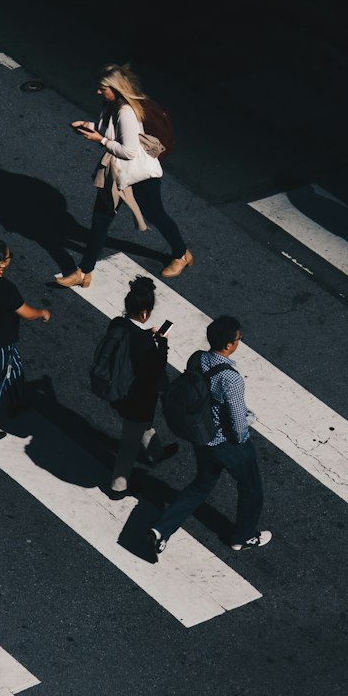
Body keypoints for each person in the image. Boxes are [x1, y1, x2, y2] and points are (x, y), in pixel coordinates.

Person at [57, 63, 194, 287]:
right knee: (100, 221)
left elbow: (129, 151)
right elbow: (111, 131)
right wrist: (88, 126)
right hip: (116, 173)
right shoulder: (111, 105)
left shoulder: (126, 112)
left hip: (138, 175)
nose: (98, 92)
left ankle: (182, 254)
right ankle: (84, 272)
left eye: (103, 88)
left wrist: (100, 141)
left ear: (117, 88)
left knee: (156, 215)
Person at [148, 315, 271, 554]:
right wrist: (244, 440)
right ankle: (243, 536)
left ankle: (161, 530)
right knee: (251, 488)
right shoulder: (231, 378)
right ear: (228, 345)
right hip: (226, 443)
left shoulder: (198, 358)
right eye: (238, 339)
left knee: (201, 485)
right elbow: (237, 423)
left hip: (202, 436)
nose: (239, 342)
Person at [0, 239, 51, 441]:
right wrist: (42, 312)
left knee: (16, 366)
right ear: (1, 264)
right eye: (8, 256)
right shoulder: (4, 288)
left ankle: (17, 401)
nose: (9, 259)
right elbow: (26, 313)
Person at [106, 277, 180, 494]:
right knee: (129, 443)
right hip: (136, 397)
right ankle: (117, 485)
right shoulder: (144, 343)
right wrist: (162, 342)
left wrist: (148, 335)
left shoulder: (117, 324)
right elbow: (156, 368)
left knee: (141, 426)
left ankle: (156, 453)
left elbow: (132, 341)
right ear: (145, 313)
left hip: (118, 389)